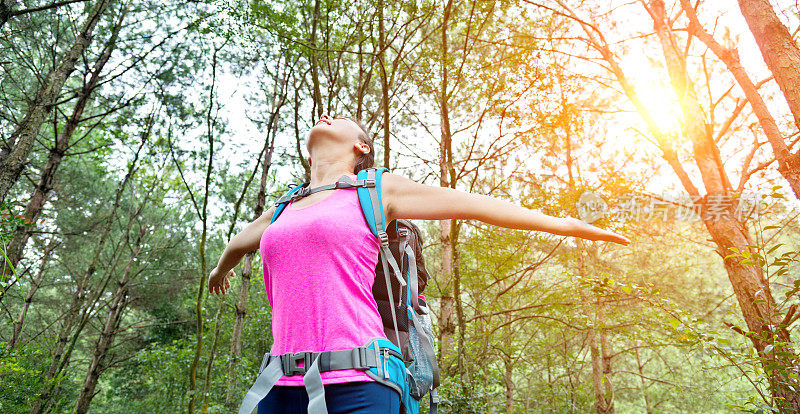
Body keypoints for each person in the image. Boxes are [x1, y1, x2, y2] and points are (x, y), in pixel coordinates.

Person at [208, 114, 631, 414]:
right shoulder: (284, 207)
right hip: (279, 387)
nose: (325, 116)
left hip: (360, 383)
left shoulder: (377, 190)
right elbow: (238, 243)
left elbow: (476, 206)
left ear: (362, 147)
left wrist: (567, 225)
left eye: (340, 119)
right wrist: (219, 271)